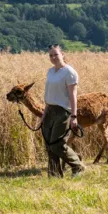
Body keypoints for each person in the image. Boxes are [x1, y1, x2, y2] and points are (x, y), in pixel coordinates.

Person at [40, 45, 85, 177]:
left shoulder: (69, 72)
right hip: (50, 110)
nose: (53, 58)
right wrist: (44, 114)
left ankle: (77, 166)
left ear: (62, 54)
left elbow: (73, 96)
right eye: (51, 55)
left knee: (56, 144)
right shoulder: (50, 72)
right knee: (49, 145)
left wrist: (74, 116)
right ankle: (54, 175)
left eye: (56, 55)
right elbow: (49, 94)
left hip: (63, 111)